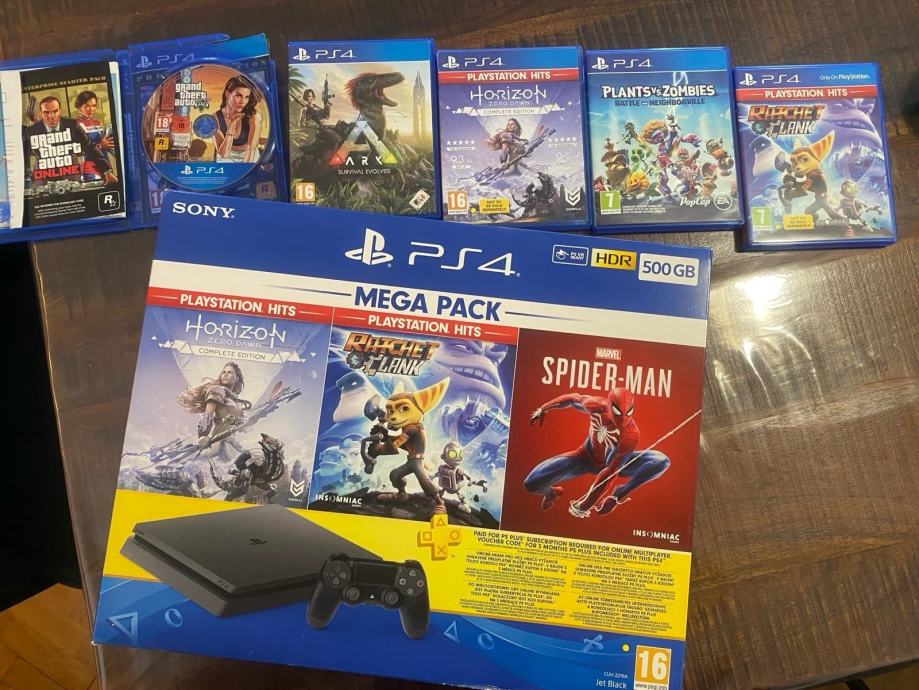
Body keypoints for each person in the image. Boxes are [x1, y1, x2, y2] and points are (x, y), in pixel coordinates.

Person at [177, 362, 252, 462]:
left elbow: (243, 426)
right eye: (224, 372)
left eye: (230, 372)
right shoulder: (217, 389)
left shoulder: (235, 402)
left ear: (237, 378)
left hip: (232, 444)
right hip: (215, 444)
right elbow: (208, 415)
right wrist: (203, 435)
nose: (225, 374)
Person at [213, 76, 262, 163]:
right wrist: (232, 125)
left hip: (249, 155)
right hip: (226, 156)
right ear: (227, 94)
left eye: (247, 97)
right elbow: (224, 154)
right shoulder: (215, 118)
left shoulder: (254, 116)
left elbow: (251, 149)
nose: (243, 102)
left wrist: (246, 169)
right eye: (238, 95)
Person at [74, 90, 118, 184]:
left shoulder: (97, 122)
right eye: (87, 106)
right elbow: (79, 151)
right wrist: (100, 145)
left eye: (93, 105)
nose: (91, 109)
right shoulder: (76, 125)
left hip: (106, 166)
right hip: (90, 168)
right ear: (79, 106)